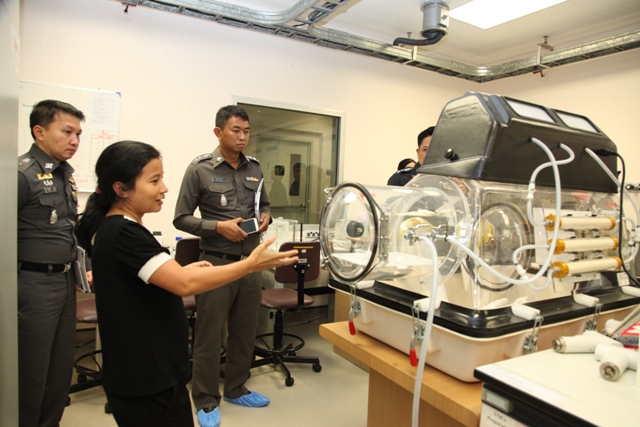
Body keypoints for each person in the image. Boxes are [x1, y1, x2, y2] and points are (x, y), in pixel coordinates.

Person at [75, 141, 298, 427]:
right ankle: (207, 400)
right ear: (121, 189)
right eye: (154, 180)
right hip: (148, 381)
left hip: (147, 373)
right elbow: (184, 284)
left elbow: (150, 280)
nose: (164, 188)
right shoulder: (123, 232)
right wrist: (250, 265)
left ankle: (236, 388)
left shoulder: (120, 228)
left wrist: (179, 270)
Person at [173, 105, 272, 427]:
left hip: (250, 263)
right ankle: (205, 399)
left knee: (245, 331)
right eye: (235, 130)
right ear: (218, 132)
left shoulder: (254, 168)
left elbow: (264, 204)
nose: (243, 137)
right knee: (209, 335)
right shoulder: (199, 169)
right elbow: (181, 218)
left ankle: (236, 388)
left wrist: (266, 216)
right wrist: (218, 227)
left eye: (246, 131)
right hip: (216, 264)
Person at [17, 99, 85, 427]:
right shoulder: (21, 174)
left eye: (78, 134)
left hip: (64, 281)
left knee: (59, 370)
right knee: (31, 371)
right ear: (39, 131)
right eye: (67, 132)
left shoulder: (64, 174)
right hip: (32, 284)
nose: (74, 140)